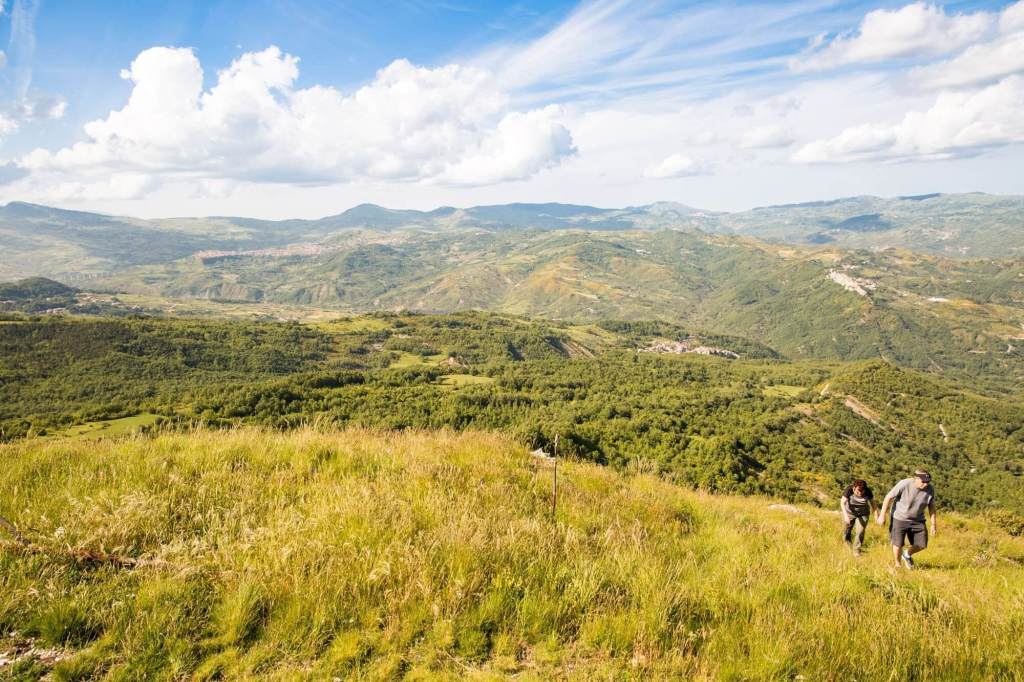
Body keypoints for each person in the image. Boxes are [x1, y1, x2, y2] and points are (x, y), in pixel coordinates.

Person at [876, 469, 937, 569]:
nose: (926, 484)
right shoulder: (904, 484)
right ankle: (897, 564)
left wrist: (933, 524)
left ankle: (907, 554)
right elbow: (888, 497)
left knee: (922, 544)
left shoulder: (930, 489)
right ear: (915, 479)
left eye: (928, 481)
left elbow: (932, 507)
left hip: (918, 519)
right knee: (897, 543)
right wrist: (882, 515)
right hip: (899, 518)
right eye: (923, 481)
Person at [840, 479, 876, 556]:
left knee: (860, 531)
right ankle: (847, 543)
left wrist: (877, 515)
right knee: (846, 530)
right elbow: (842, 502)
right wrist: (846, 516)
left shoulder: (867, 491)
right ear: (854, 487)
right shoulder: (849, 489)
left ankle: (856, 550)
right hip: (849, 513)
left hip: (863, 514)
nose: (859, 493)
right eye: (858, 490)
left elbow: (873, 504)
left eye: (862, 491)